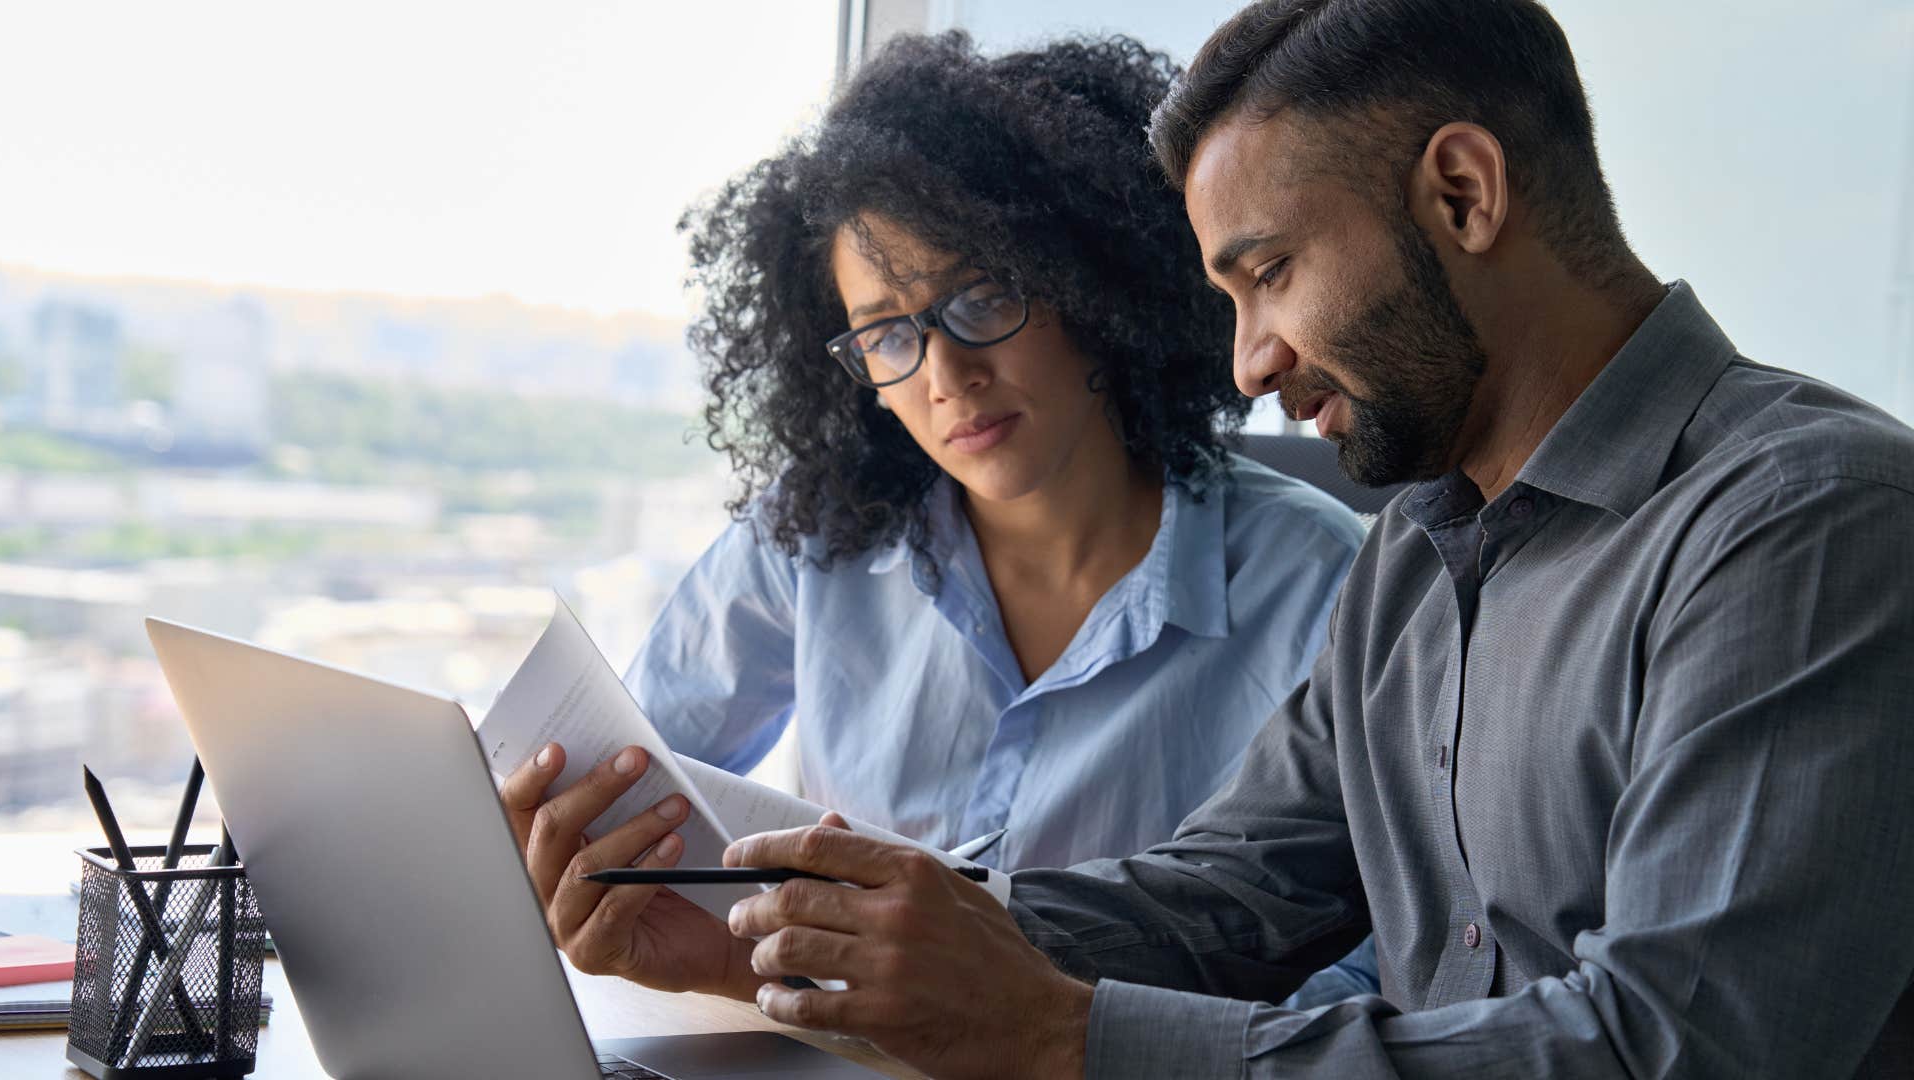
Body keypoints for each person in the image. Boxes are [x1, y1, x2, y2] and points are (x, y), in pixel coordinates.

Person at [507, 0, 1914, 1075]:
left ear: (1465, 194)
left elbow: (1675, 1050)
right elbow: (1229, 892)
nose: (1246, 363)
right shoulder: (1423, 553)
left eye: (1269, 274)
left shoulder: (1809, 523)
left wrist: (1069, 1039)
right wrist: (791, 954)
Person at [504, 33, 1379, 1003]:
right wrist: (569, 856)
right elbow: (638, 773)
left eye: (983, 297)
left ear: (1093, 288)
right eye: (886, 333)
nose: (946, 373)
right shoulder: (813, 541)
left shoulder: (1324, 586)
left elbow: (1379, 969)